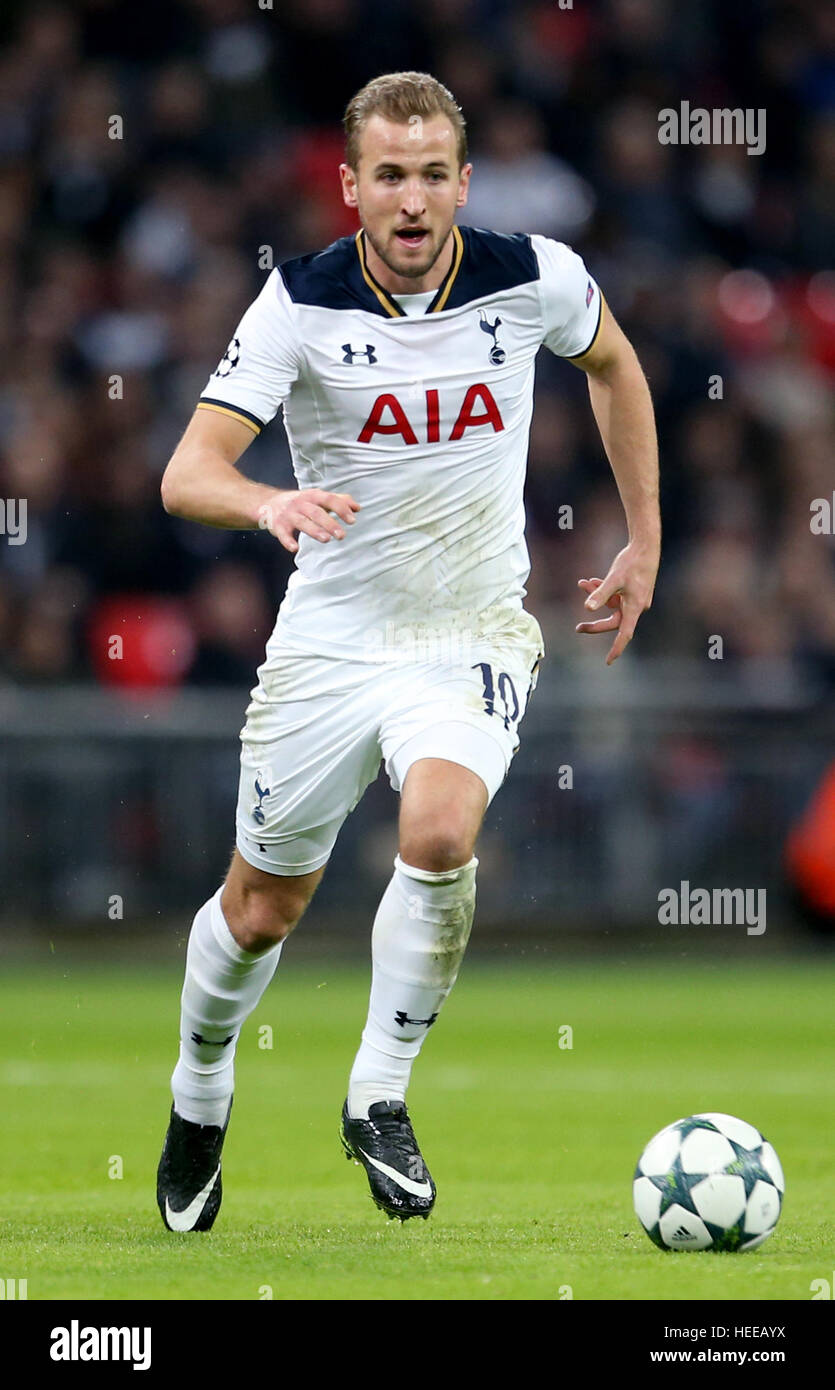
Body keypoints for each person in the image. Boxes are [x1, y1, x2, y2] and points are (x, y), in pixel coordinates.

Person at [156, 70, 660, 1230]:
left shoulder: (534, 276)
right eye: (390, 175)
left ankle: (376, 1094)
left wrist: (643, 536)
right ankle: (199, 1091)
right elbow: (186, 474)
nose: (413, 199)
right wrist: (267, 504)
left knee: (438, 832)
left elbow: (617, 365)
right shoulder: (296, 303)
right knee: (260, 909)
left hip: (468, 628)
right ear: (350, 188)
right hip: (332, 641)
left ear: (462, 182)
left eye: (434, 174)